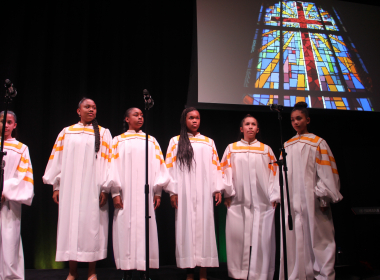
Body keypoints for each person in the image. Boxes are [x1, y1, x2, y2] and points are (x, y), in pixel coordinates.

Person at [43, 98, 112, 280]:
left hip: (93, 186)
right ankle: (72, 272)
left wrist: (105, 188)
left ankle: (92, 271)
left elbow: (108, 162)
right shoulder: (67, 132)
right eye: (87, 107)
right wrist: (56, 186)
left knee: (92, 227)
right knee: (71, 226)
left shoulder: (104, 133)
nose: (91, 110)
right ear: (78, 110)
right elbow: (58, 160)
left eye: (94, 107)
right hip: (70, 187)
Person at [280, 101, 343, 280]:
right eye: (292, 120)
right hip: (293, 201)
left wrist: (324, 198)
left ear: (308, 120)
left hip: (313, 199)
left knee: (320, 239)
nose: (295, 123)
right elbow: (281, 176)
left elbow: (326, 173)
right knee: (297, 237)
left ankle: (324, 276)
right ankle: (300, 274)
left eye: (299, 118)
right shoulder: (287, 145)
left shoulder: (318, 143)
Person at [108, 107, 170, 279]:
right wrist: (115, 193)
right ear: (127, 119)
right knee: (124, 228)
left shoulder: (150, 141)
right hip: (125, 193)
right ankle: (126, 270)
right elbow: (112, 168)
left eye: (142, 115)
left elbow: (159, 167)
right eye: (136, 115)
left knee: (145, 228)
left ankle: (144, 270)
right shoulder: (118, 141)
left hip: (145, 194)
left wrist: (158, 192)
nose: (140, 117)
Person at [165, 107, 224, 280]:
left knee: (205, 228)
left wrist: (217, 188)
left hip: (204, 192)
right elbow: (170, 167)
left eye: (197, 118)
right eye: (191, 118)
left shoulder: (208, 142)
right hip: (184, 191)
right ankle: (189, 272)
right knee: (186, 229)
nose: (194, 121)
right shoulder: (175, 141)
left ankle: (204, 272)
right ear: (185, 120)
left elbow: (215, 166)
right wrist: (172, 192)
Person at [221, 114, 279, 280]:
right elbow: (224, 172)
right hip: (238, 201)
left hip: (262, 202)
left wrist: (274, 195)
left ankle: (260, 274)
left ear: (258, 129)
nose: (251, 127)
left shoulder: (266, 150)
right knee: (237, 239)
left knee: (262, 239)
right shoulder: (232, 148)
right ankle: (238, 273)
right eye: (247, 124)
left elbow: (274, 175)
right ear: (242, 129)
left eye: (254, 124)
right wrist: (227, 193)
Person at [0, 111, 34, 280]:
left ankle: (9, 277)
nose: (5, 125)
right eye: (1, 121)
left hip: (9, 202)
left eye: (9, 121)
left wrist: (4, 191)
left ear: (15, 125)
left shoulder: (21, 149)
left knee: (9, 239)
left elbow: (24, 175)